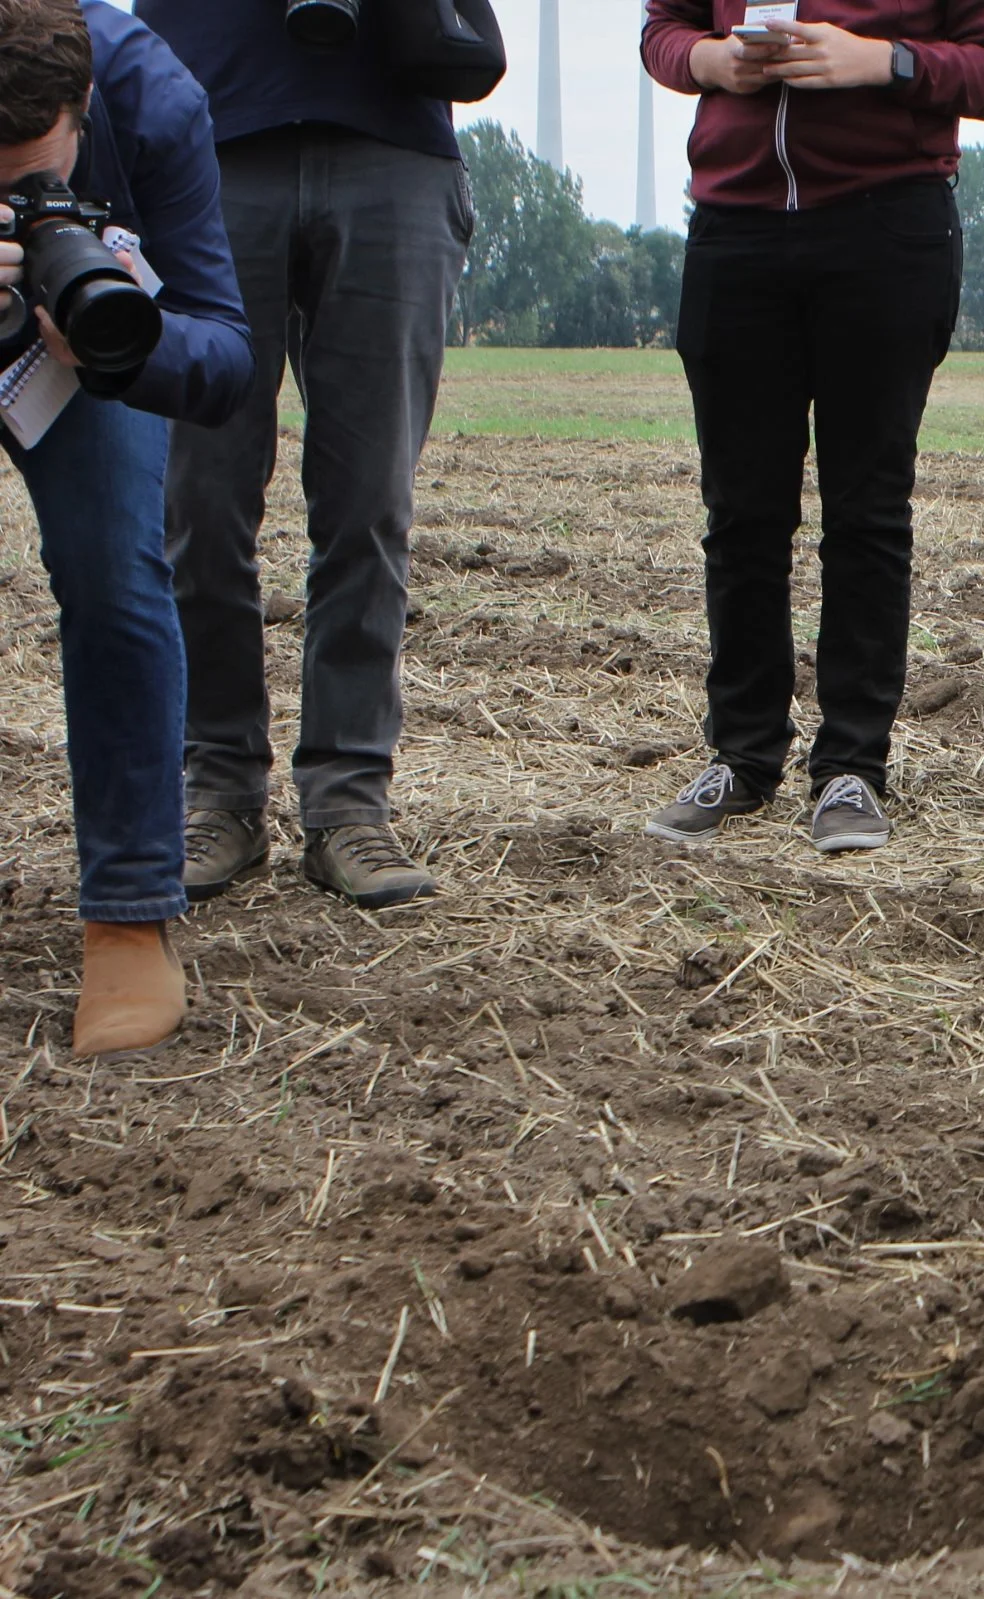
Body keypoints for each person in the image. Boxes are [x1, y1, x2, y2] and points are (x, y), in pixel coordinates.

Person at [639, 1, 984, 853]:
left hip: (887, 225)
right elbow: (661, 28)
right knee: (740, 512)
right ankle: (741, 756)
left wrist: (879, 60)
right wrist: (709, 63)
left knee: (867, 512)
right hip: (734, 230)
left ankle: (852, 766)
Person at [137, 0, 477, 911]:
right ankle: (219, 792)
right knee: (198, 503)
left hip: (392, 137)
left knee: (369, 506)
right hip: (203, 136)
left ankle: (348, 802)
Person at [0, 0, 250, 1055]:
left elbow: (227, 350)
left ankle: (130, 917)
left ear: (83, 104)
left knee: (116, 573)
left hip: (78, 360)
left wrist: (119, 341)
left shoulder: (155, 99)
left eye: (25, 182)